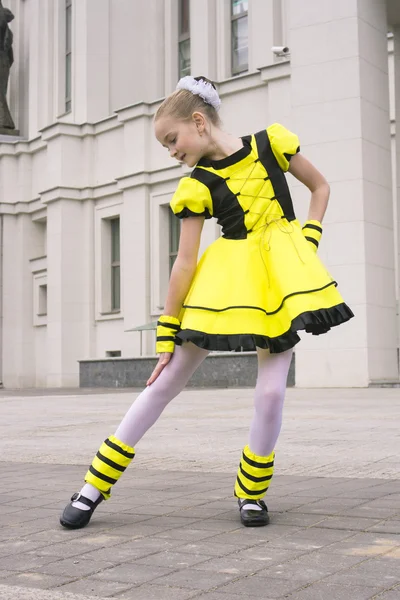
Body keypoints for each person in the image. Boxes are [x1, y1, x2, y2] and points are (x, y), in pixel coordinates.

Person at [60, 75, 354, 530]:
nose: (171, 151)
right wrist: (166, 329)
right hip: (224, 282)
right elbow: (184, 262)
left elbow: (320, 187)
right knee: (165, 382)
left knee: (273, 393)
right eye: (166, 145)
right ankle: (92, 487)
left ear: (198, 122)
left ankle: (251, 493)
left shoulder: (272, 144)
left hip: (279, 280)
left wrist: (307, 240)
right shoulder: (196, 184)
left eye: (171, 139)